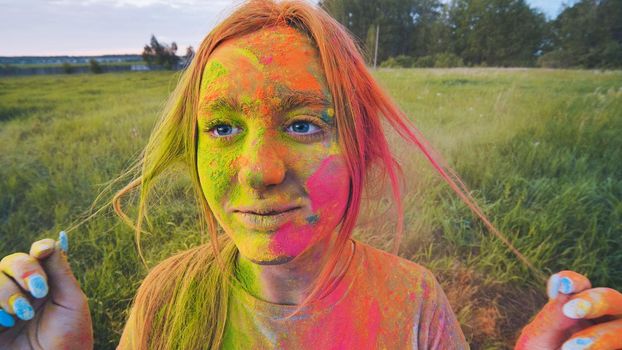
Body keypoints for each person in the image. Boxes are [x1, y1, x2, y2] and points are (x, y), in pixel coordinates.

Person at [1, 1, 620, 349]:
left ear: (363, 149)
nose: (260, 171)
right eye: (221, 128)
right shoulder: (168, 297)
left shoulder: (413, 303)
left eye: (303, 125)